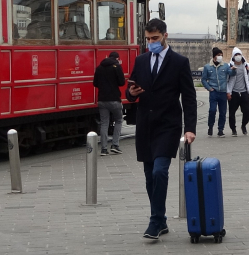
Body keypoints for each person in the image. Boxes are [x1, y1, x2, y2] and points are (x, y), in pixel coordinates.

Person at [127, 19, 196, 239]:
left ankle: (155, 221)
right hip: (145, 125)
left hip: (168, 125)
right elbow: (130, 91)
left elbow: (189, 97)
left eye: (155, 38)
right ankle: (162, 219)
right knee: (149, 176)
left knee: (159, 171)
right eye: (148, 39)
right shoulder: (141, 60)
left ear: (165, 36)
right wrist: (132, 94)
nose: (151, 43)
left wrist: (190, 128)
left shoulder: (179, 62)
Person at [94, 51, 125, 155]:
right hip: (114, 99)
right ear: (117, 58)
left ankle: (103, 149)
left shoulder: (99, 67)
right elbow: (122, 82)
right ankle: (115, 145)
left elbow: (95, 83)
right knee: (119, 120)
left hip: (102, 100)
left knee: (104, 123)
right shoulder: (117, 66)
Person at [201, 47, 230, 137]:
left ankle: (220, 129)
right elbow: (204, 79)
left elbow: (231, 73)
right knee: (212, 110)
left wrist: (233, 69)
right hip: (214, 92)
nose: (220, 57)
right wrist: (209, 88)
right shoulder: (207, 67)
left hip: (223, 92)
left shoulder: (225, 65)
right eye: (218, 55)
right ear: (214, 56)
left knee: (223, 112)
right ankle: (210, 127)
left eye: (221, 55)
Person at [226, 47, 249, 136]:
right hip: (233, 92)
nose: (238, 56)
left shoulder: (246, 66)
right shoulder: (229, 66)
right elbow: (226, 80)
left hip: (243, 92)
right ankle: (233, 129)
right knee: (232, 112)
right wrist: (228, 92)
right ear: (233, 56)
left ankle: (243, 125)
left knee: (247, 111)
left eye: (239, 54)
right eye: (236, 55)